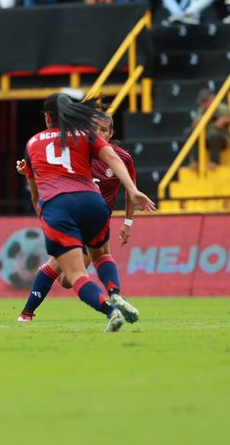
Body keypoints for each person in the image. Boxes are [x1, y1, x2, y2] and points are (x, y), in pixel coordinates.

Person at [22, 94, 155, 332]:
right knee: (86, 266)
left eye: (105, 129)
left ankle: (29, 314)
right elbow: (110, 157)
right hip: (93, 205)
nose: (100, 133)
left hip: (61, 207)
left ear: (48, 117)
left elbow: (37, 191)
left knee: (71, 274)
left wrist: (43, 213)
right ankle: (114, 293)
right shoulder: (84, 137)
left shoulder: (34, 143)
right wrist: (134, 190)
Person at [189, 89, 230, 168]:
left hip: (221, 139)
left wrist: (224, 120)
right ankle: (195, 161)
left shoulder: (221, 108)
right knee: (190, 133)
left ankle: (214, 161)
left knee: (213, 134)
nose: (205, 103)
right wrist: (200, 120)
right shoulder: (201, 111)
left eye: (206, 101)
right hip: (207, 140)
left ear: (212, 98)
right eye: (202, 101)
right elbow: (193, 127)